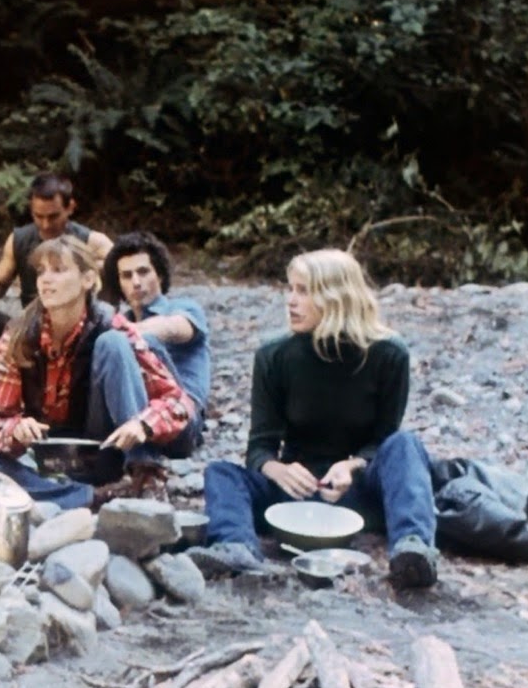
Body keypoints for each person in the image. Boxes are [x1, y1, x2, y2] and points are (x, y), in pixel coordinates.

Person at [188, 249, 438, 589]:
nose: (291, 301)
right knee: (221, 473)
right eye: (290, 289)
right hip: (298, 496)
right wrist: (278, 470)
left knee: (407, 444)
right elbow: (260, 447)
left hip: (360, 492)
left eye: (303, 291)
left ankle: (413, 548)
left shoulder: (389, 354)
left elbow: (384, 440)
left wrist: (352, 466)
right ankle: (235, 546)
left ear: (337, 296)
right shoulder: (273, 356)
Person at [0, 234, 195, 510]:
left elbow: (178, 401)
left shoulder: (111, 324)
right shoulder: (18, 335)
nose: (45, 280)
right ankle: (90, 497)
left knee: (112, 344)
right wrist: (14, 430)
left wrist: (143, 424)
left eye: (59, 270)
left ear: (88, 280)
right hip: (47, 456)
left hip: (104, 450)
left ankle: (145, 476)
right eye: (41, 271)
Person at [0, 173, 113, 398]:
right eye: (38, 216)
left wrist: (85, 267)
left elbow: (123, 274)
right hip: (30, 331)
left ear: (70, 207)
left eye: (53, 217)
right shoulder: (20, 239)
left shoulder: (93, 242)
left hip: (77, 335)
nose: (45, 224)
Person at [100, 231, 210, 458]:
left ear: (159, 275)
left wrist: (125, 334)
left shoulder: (184, 308)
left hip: (180, 419)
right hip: (130, 413)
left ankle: (143, 463)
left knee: (136, 342)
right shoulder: (119, 322)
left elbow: (176, 328)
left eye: (143, 272)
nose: (136, 282)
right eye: (127, 276)